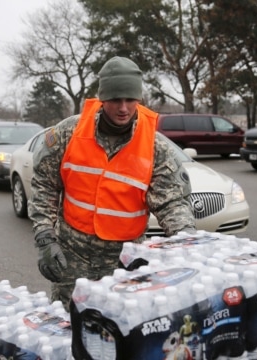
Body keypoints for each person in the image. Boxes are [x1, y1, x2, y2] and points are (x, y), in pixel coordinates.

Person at [28, 56, 196, 309]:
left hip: (124, 260)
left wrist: (187, 243)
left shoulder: (155, 147)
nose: (124, 108)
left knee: (121, 329)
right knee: (68, 325)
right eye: (116, 99)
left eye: (130, 100)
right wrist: (45, 238)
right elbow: (44, 186)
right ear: (102, 98)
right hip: (72, 254)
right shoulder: (69, 133)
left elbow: (172, 203)